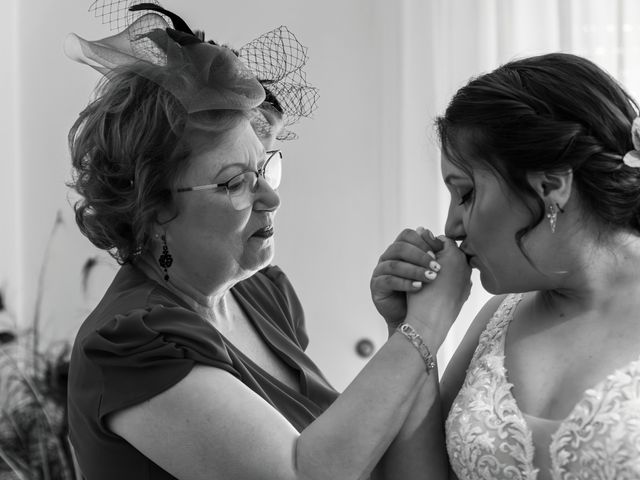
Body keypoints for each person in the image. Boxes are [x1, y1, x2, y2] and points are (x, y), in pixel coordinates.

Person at [65, 4, 470, 479]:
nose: (271, 197)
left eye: (265, 168)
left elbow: (367, 462)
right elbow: (301, 474)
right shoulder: (131, 345)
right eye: (235, 182)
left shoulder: (263, 295)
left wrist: (401, 328)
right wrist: (426, 326)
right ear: (153, 207)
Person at [372, 52, 640, 479]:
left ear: (551, 186)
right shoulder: (499, 319)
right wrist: (412, 328)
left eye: (465, 194)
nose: (450, 226)